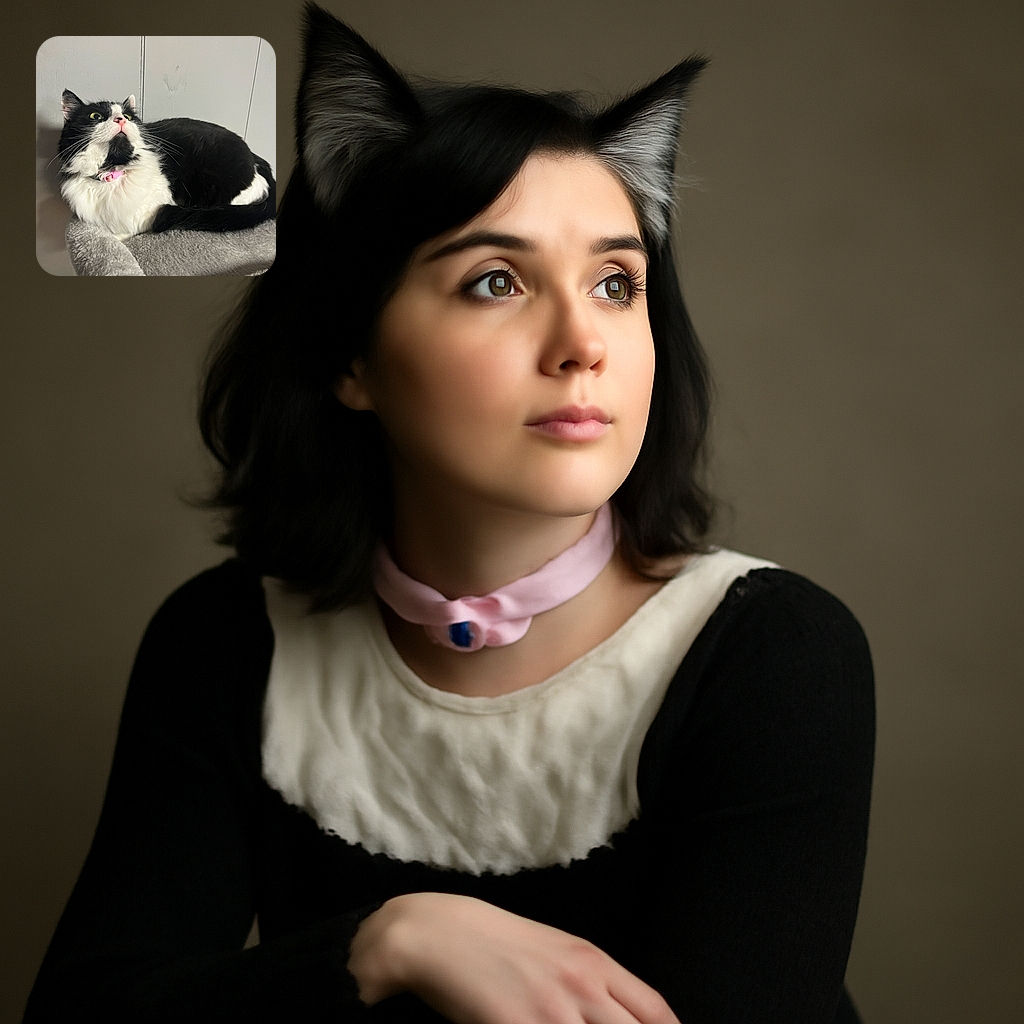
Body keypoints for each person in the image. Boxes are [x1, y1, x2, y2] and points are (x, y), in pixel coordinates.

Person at [24, 4, 874, 1022]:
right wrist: (390, 940)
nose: (582, 345)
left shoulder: (774, 654)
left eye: (615, 281)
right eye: (496, 280)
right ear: (350, 357)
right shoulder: (222, 641)